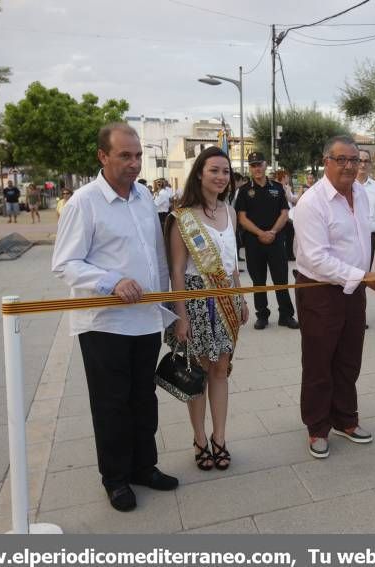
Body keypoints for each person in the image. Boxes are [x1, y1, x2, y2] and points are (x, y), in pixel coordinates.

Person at [52, 122, 178, 512]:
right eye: (125, 155)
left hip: (144, 321)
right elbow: (65, 263)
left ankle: (144, 466)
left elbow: (156, 255)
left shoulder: (143, 197)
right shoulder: (84, 203)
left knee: (144, 398)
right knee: (112, 404)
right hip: (104, 324)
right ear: (102, 156)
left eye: (138, 155)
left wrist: (169, 306)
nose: (134, 163)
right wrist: (111, 281)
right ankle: (116, 478)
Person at [293, 135, 375, 458]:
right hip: (320, 291)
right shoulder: (312, 202)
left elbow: (369, 237)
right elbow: (316, 258)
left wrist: (374, 271)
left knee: (350, 357)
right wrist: (364, 276)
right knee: (319, 360)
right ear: (326, 162)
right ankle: (317, 427)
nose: (350, 166)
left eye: (355, 160)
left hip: (354, 288)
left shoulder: (362, 194)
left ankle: (346, 419)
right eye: (342, 160)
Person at [164, 146, 248, 471]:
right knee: (198, 370)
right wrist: (180, 316)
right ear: (200, 172)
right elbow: (176, 271)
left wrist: (240, 298)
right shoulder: (182, 217)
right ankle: (200, 439)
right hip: (197, 299)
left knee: (221, 369)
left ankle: (220, 438)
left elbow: (232, 264)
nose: (221, 177)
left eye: (225, 171)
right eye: (214, 170)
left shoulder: (229, 211)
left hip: (226, 297)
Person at [234, 152, 299, 330]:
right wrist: (260, 233)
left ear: (265, 165)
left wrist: (272, 231)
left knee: (281, 279)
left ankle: (286, 315)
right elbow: (242, 217)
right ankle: (262, 315)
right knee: (258, 281)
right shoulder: (245, 191)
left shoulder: (277, 188)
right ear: (250, 168)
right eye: (253, 165)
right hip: (254, 243)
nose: (257, 168)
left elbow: (285, 213)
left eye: (259, 164)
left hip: (276, 241)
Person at [356, 149, 375, 270]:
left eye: (366, 161)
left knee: (366, 274)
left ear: (370, 164)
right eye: (359, 161)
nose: (363, 164)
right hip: (351, 237)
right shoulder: (347, 185)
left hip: (369, 238)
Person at [275, 170, 298, 261]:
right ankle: (288, 254)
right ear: (284, 177)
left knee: (287, 235)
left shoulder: (282, 186)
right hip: (285, 215)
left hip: (286, 214)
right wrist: (299, 193)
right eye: (287, 177)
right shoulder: (282, 187)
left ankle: (287, 254)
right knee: (288, 235)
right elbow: (291, 199)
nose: (288, 178)